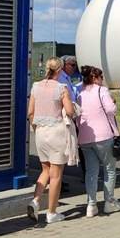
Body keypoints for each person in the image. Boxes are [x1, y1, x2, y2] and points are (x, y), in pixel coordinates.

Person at [27, 57, 77, 225]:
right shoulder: (61, 88)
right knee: (56, 175)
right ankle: (51, 212)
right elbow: (69, 111)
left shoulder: (36, 86)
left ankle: (35, 200)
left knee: (45, 170)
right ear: (60, 70)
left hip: (40, 132)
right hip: (56, 132)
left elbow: (30, 112)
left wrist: (36, 128)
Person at [77, 65, 120, 217]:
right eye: (101, 77)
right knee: (109, 168)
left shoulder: (80, 92)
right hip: (103, 135)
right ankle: (109, 201)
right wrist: (113, 103)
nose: (102, 79)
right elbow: (111, 110)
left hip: (84, 136)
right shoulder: (101, 90)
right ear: (94, 78)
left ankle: (91, 204)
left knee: (91, 171)